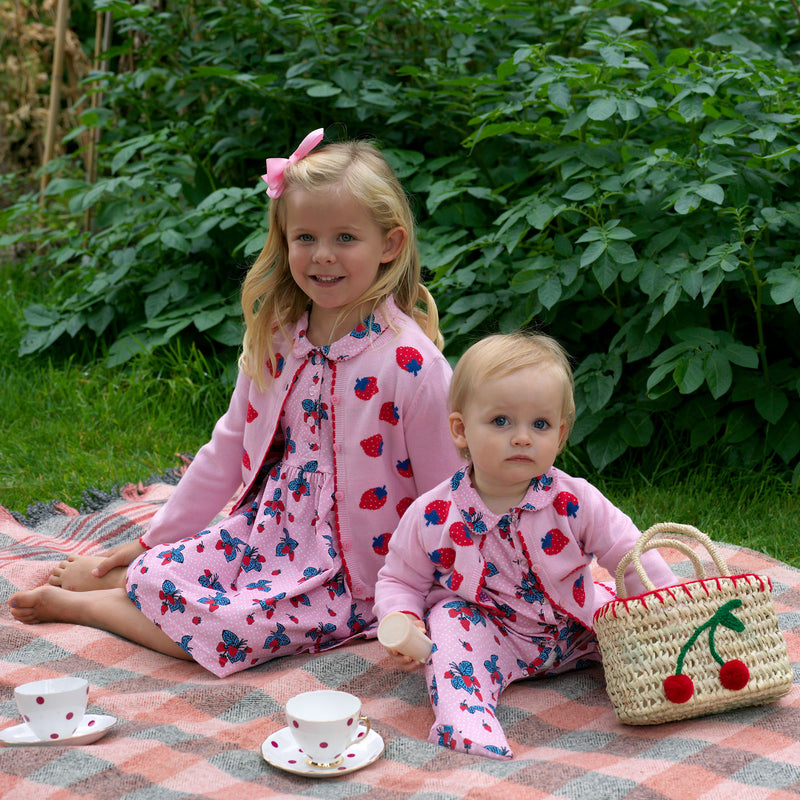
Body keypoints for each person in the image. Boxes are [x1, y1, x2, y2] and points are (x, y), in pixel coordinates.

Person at [9, 128, 462, 677]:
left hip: (355, 569)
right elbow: (227, 448)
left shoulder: (410, 365)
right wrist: (154, 538)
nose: (322, 256)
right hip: (268, 532)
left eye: (345, 237)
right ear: (284, 238)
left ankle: (91, 608)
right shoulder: (279, 338)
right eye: (305, 238)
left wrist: (434, 594)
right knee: (161, 569)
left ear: (389, 245)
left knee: (227, 631)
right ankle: (125, 579)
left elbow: (449, 491)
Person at [373, 332, 678, 760]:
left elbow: (630, 556)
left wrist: (666, 608)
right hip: (494, 634)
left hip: (576, 627)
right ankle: (464, 720)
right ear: (460, 430)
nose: (521, 437)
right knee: (447, 622)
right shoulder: (433, 514)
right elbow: (400, 579)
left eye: (539, 424)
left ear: (561, 433)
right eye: (501, 421)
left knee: (624, 611)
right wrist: (402, 618)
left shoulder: (574, 499)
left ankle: (673, 676)